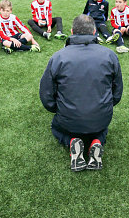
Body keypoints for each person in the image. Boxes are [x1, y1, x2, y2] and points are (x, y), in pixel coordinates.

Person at [39, 15, 123, 172]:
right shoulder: (110, 55)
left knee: (56, 127)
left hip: (68, 118)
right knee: (101, 128)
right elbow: (117, 92)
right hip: (101, 116)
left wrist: (57, 108)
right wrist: (106, 106)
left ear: (72, 32)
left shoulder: (58, 56)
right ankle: (97, 142)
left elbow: (46, 93)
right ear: (94, 32)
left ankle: (72, 141)